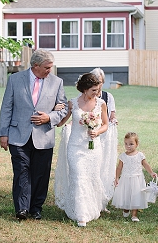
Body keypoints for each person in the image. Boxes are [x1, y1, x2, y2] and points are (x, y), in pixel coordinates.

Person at [0, 49, 68, 221]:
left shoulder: (57, 82)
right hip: (17, 135)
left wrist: (49, 117)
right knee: (21, 171)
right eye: (47, 67)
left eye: (51, 67)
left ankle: (36, 208)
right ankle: (21, 209)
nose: (49, 70)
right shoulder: (15, 79)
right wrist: (3, 134)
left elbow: (64, 107)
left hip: (44, 137)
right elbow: (7, 107)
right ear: (35, 66)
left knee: (40, 174)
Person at [54, 73, 111, 227]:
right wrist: (57, 108)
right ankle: (81, 214)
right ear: (85, 89)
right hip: (75, 147)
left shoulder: (101, 103)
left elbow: (106, 124)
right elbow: (60, 123)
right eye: (94, 90)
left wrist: (97, 131)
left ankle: (92, 207)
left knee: (91, 177)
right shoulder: (72, 103)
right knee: (78, 177)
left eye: (98, 90)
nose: (97, 93)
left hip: (93, 148)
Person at [112, 132, 158, 222]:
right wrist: (117, 177)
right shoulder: (123, 156)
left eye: (131, 144)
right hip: (126, 179)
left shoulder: (140, 155)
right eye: (126, 144)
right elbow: (119, 168)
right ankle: (126, 209)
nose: (128, 146)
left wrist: (151, 172)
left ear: (137, 144)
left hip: (137, 179)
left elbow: (145, 164)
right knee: (126, 195)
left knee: (136, 196)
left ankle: (134, 215)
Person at [89, 68, 118, 203]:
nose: (98, 85)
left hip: (104, 136)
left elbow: (112, 116)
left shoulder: (108, 97)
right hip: (90, 135)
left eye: (100, 82)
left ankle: (102, 197)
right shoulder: (86, 97)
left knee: (103, 165)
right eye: (95, 81)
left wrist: (114, 120)